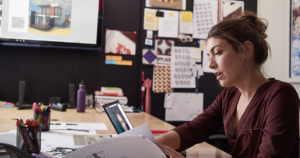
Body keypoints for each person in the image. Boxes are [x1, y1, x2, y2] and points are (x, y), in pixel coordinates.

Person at [156, 11, 299, 158]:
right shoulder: (229, 95)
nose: (210, 64)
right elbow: (194, 129)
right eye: (208, 56)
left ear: (246, 50)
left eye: (217, 52)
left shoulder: (281, 95)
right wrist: (154, 145)